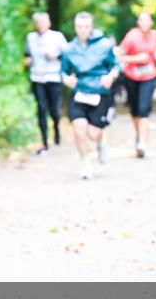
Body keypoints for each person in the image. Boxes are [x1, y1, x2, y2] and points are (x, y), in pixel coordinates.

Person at [61, 12, 120, 180]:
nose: (83, 30)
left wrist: (110, 76)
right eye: (79, 27)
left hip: (100, 92)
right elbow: (63, 71)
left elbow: (116, 66)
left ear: (91, 27)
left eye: (86, 27)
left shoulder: (104, 45)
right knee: (78, 127)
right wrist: (67, 79)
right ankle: (86, 163)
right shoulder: (69, 48)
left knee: (93, 134)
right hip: (79, 92)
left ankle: (101, 142)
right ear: (75, 27)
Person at [119, 11, 156, 157]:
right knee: (135, 110)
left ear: (151, 22)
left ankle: (142, 144)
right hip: (131, 76)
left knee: (144, 109)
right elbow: (118, 55)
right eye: (142, 20)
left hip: (149, 76)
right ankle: (139, 135)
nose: (145, 23)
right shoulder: (132, 36)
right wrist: (136, 58)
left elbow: (155, 51)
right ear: (138, 22)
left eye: (147, 20)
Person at [23, 12, 68, 154]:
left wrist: (56, 55)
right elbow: (27, 55)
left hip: (54, 77)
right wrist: (27, 61)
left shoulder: (57, 37)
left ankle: (56, 127)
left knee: (54, 110)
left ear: (49, 24)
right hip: (37, 78)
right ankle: (44, 142)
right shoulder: (30, 38)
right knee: (41, 109)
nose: (40, 25)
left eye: (43, 22)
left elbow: (68, 54)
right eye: (38, 22)